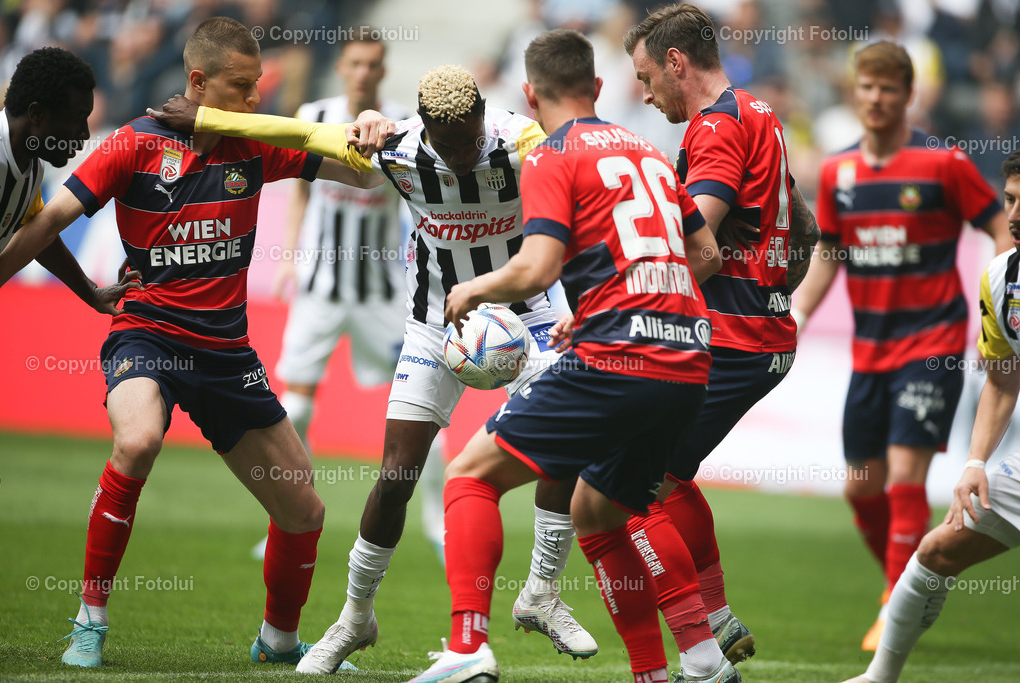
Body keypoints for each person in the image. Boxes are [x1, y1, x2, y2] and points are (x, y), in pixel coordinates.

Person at [149, 64, 601, 672]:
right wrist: (206, 119)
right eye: (452, 144)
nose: (465, 154)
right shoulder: (399, 146)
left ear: (481, 117)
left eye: (472, 138)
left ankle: (542, 591)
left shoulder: (519, 141)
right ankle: (354, 617)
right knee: (396, 473)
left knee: (566, 445)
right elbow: (298, 134)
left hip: (533, 316)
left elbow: (586, 153)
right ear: (429, 131)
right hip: (435, 324)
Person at [0, 17, 383, 668]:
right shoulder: (134, 145)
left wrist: (362, 135)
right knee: (139, 438)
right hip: (146, 332)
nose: (254, 99)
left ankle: (279, 640)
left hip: (228, 355)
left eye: (258, 85)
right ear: (199, 81)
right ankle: (90, 619)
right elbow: (52, 218)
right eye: (240, 87)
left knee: (304, 508)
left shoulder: (255, 145)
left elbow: (367, 177)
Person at [411, 28, 725, 683]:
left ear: (529, 94)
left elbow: (535, 267)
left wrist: (473, 287)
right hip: (690, 356)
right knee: (603, 508)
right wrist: (620, 301)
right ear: (600, 87)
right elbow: (707, 256)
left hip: (621, 353)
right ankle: (690, 662)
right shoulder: (649, 149)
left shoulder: (551, 155)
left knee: (470, 475)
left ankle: (468, 646)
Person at [793, 40, 1012, 650]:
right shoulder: (838, 172)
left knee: (906, 478)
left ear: (909, 95)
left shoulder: (943, 163)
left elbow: (999, 223)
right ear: (853, 90)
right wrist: (799, 311)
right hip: (870, 351)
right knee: (861, 486)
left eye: (889, 88)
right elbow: (830, 252)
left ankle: (895, 605)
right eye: (867, 86)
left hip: (932, 343)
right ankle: (911, 581)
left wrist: (1001, 290)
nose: (877, 98)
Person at [621, 2, 820, 669]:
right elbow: (807, 228)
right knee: (671, 477)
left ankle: (701, 652)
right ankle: (718, 617)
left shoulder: (715, 126)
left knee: (625, 486)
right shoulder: (760, 114)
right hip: (757, 332)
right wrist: (771, 286)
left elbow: (690, 232)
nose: (644, 95)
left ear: (677, 62)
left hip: (732, 339)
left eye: (648, 77)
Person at [246, 31, 452, 562]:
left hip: (383, 290)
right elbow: (299, 190)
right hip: (319, 284)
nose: (364, 72)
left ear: (382, 71)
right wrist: (289, 255)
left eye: (374, 64)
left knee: (419, 405)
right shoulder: (315, 113)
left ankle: (437, 519)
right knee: (298, 403)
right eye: (356, 63)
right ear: (343, 66)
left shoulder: (404, 124)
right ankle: (287, 517)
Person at [842, 151, 1020, 683]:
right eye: (1011, 199)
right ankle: (880, 678)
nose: (1014, 215)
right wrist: (974, 463)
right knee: (937, 550)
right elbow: (1003, 380)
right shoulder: (1001, 277)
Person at [0, 46, 141, 496]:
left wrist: (91, 292)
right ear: (37, 114)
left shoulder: (30, 166)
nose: (83, 133)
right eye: (76, 119)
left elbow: (39, 234)